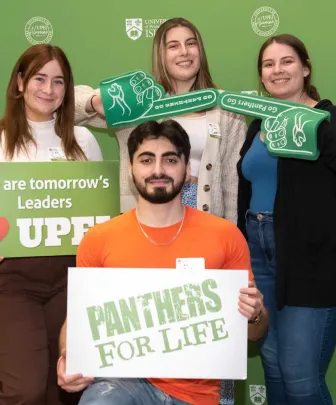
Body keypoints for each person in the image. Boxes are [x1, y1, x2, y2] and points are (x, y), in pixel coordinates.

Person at [57, 119, 267, 405]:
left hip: (197, 392)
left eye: (170, 159)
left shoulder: (225, 235)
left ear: (187, 169)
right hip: (120, 382)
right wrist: (69, 358)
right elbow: (78, 320)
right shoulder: (99, 239)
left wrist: (254, 314)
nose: (158, 170)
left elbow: (254, 333)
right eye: (146, 160)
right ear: (131, 169)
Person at [0, 44, 103, 405]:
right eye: (40, 78)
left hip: (70, 277)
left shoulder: (85, 141)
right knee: (23, 390)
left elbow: (97, 218)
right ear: (19, 82)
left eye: (58, 82)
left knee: (64, 386)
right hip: (12, 280)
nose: (49, 89)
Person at [237, 34, 336, 405]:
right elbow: (245, 187)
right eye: (268, 64)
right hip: (257, 257)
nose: (277, 70)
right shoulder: (256, 125)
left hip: (309, 262)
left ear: (306, 68)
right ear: (261, 76)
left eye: (287, 61)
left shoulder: (326, 120)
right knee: (274, 364)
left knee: (300, 378)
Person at [74, 17, 246, 222]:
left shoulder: (225, 108)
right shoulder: (140, 103)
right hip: (144, 218)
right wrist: (95, 102)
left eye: (191, 43)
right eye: (173, 46)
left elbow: (232, 183)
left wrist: (230, 232)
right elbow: (68, 105)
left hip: (205, 218)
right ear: (161, 56)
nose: (184, 52)